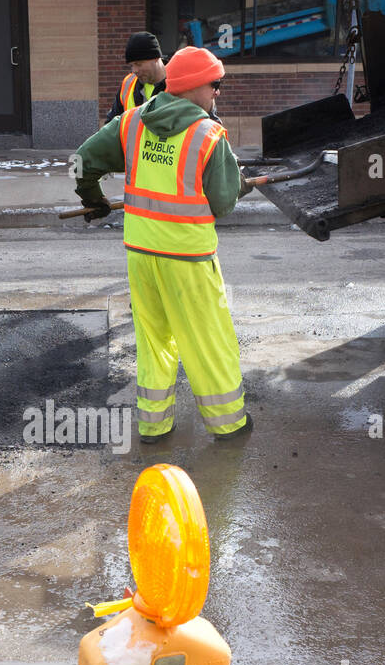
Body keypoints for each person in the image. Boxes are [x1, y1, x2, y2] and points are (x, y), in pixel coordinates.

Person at [75, 45, 252, 443]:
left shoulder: (133, 122)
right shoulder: (208, 133)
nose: (218, 93)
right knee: (208, 339)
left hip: (141, 253)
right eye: (215, 85)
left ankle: (154, 426)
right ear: (193, 87)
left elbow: (83, 159)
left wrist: (93, 199)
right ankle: (229, 424)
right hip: (188, 258)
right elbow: (223, 203)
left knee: (154, 340)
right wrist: (233, 180)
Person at [106, 32, 167, 123]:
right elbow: (112, 124)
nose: (134, 70)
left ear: (156, 58)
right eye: (131, 65)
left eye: (139, 64)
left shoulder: (179, 83)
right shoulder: (128, 83)